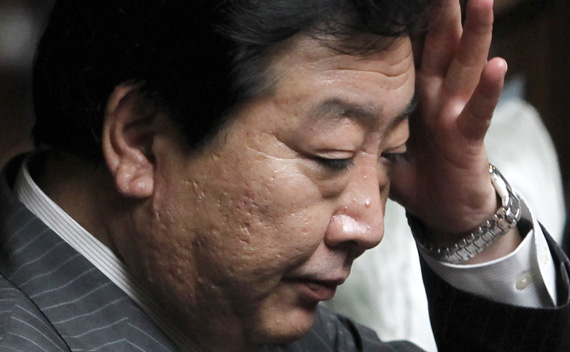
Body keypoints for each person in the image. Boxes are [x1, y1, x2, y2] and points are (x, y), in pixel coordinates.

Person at [0, 1, 568, 352]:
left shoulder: (242, 314)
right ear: (140, 141)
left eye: (392, 153)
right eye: (332, 157)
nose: (370, 225)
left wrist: (469, 221)